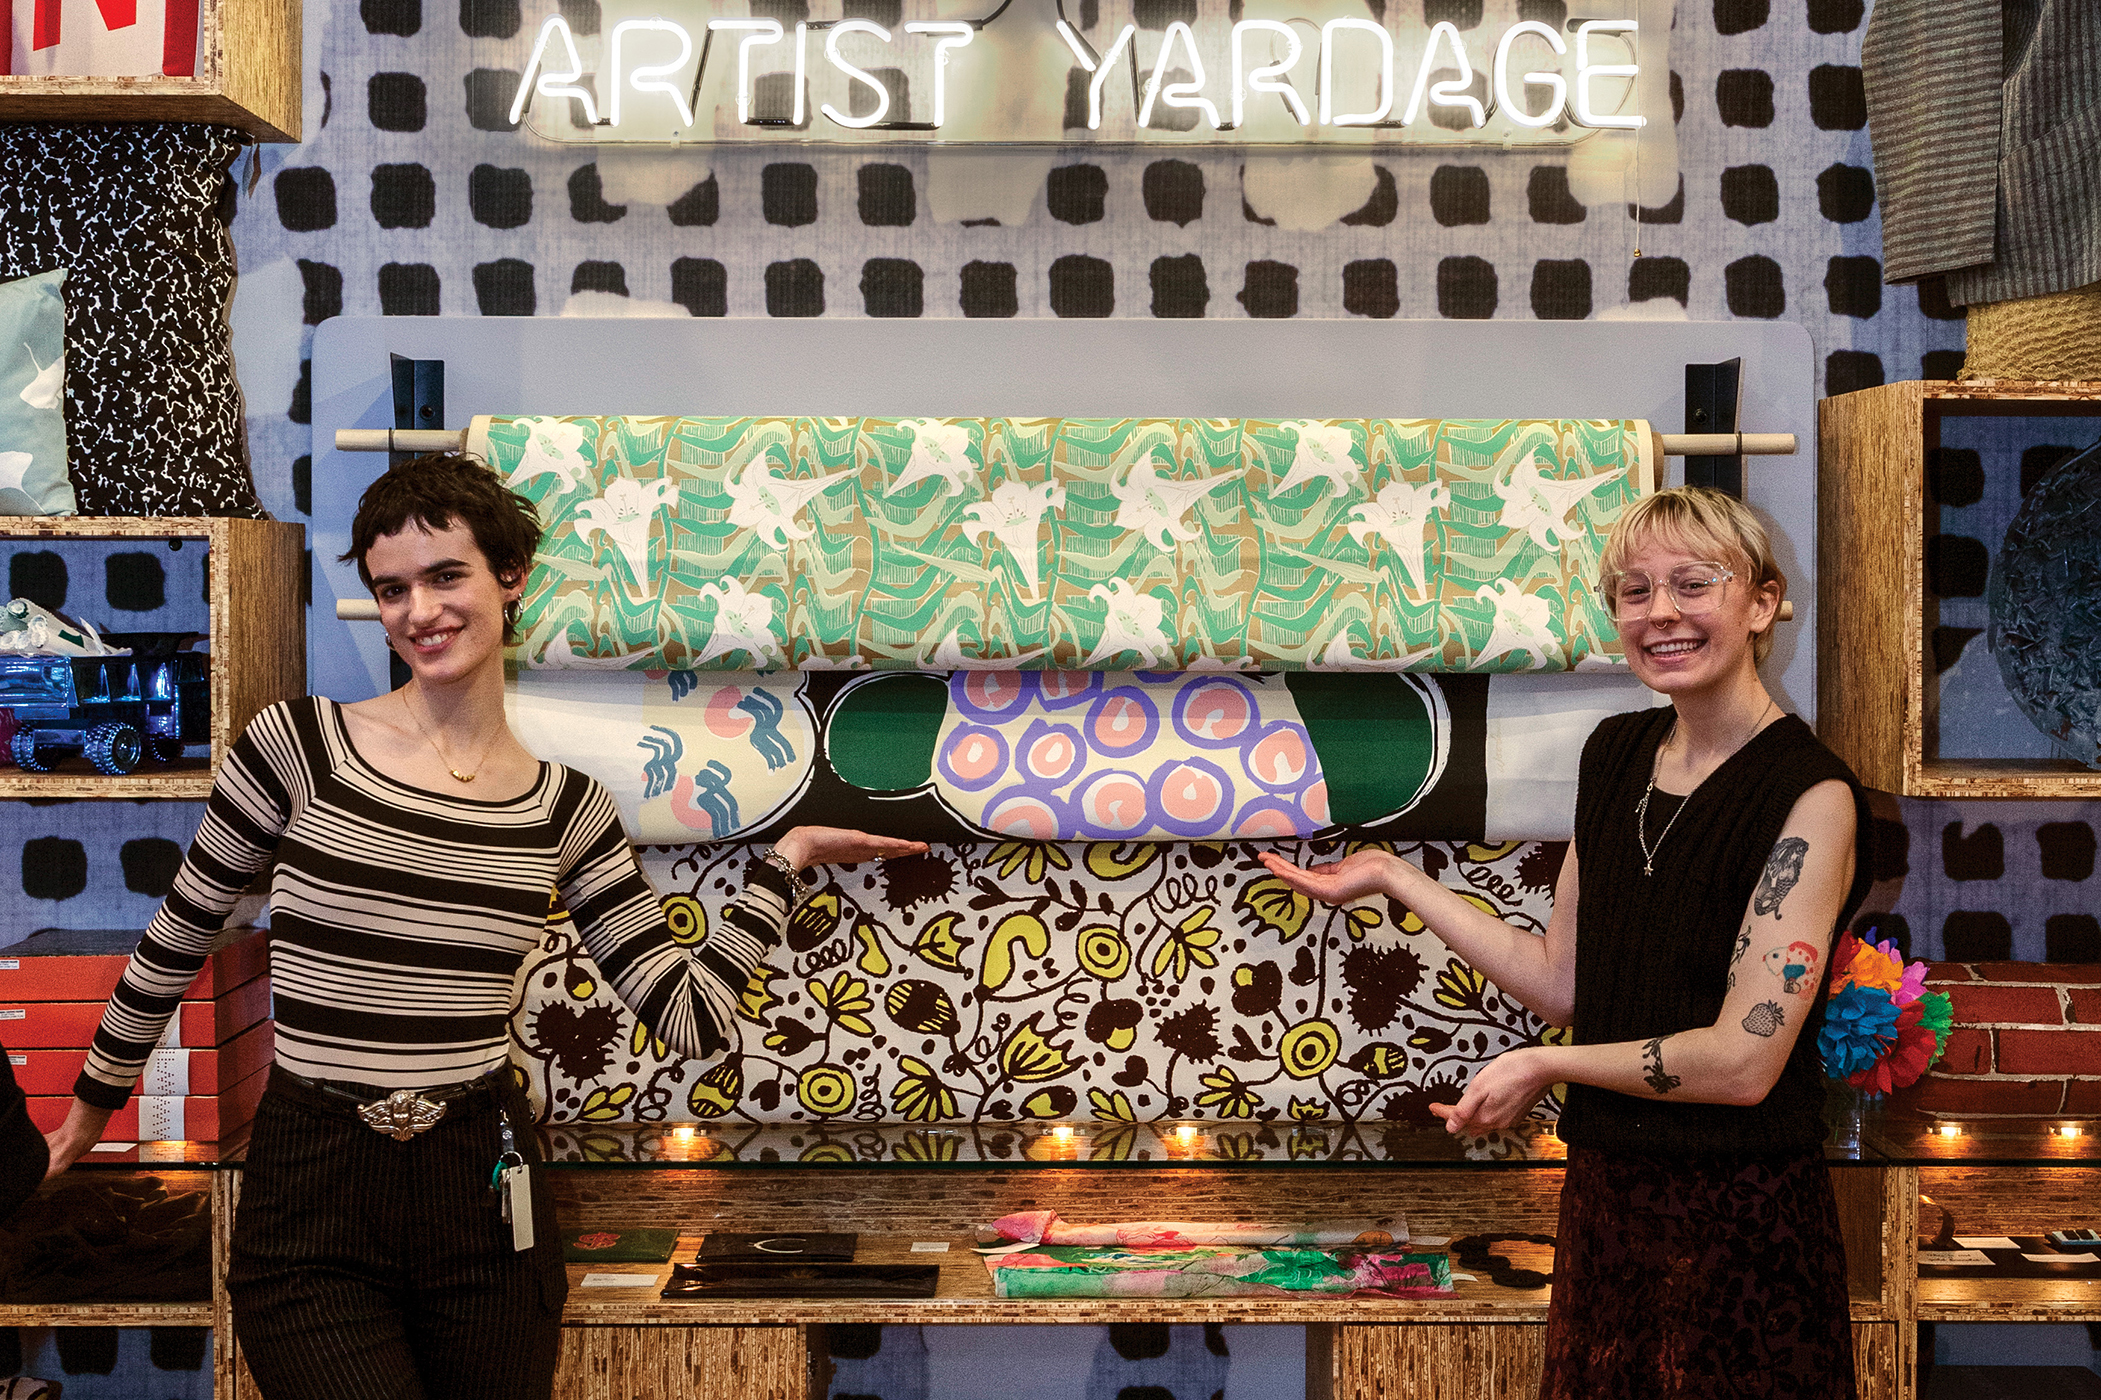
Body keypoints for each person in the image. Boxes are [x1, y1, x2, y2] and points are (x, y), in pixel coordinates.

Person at [38, 453, 927, 1400]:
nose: (418, 611)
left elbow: (689, 1016)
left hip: (484, 1193)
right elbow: (177, 937)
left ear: (510, 578)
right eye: (391, 589)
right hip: (312, 1196)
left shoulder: (565, 809)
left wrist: (780, 866)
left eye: (444, 574)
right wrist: (91, 1111)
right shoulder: (296, 747)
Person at [1260, 486, 1872, 1399]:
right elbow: (1561, 980)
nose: (1659, 612)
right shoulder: (1616, 753)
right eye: (1633, 591)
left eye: (1692, 584)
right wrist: (1394, 875)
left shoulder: (1810, 795)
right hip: (1606, 1204)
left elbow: (1745, 1062)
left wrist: (1547, 1069)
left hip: (1740, 1219)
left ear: (1762, 602)